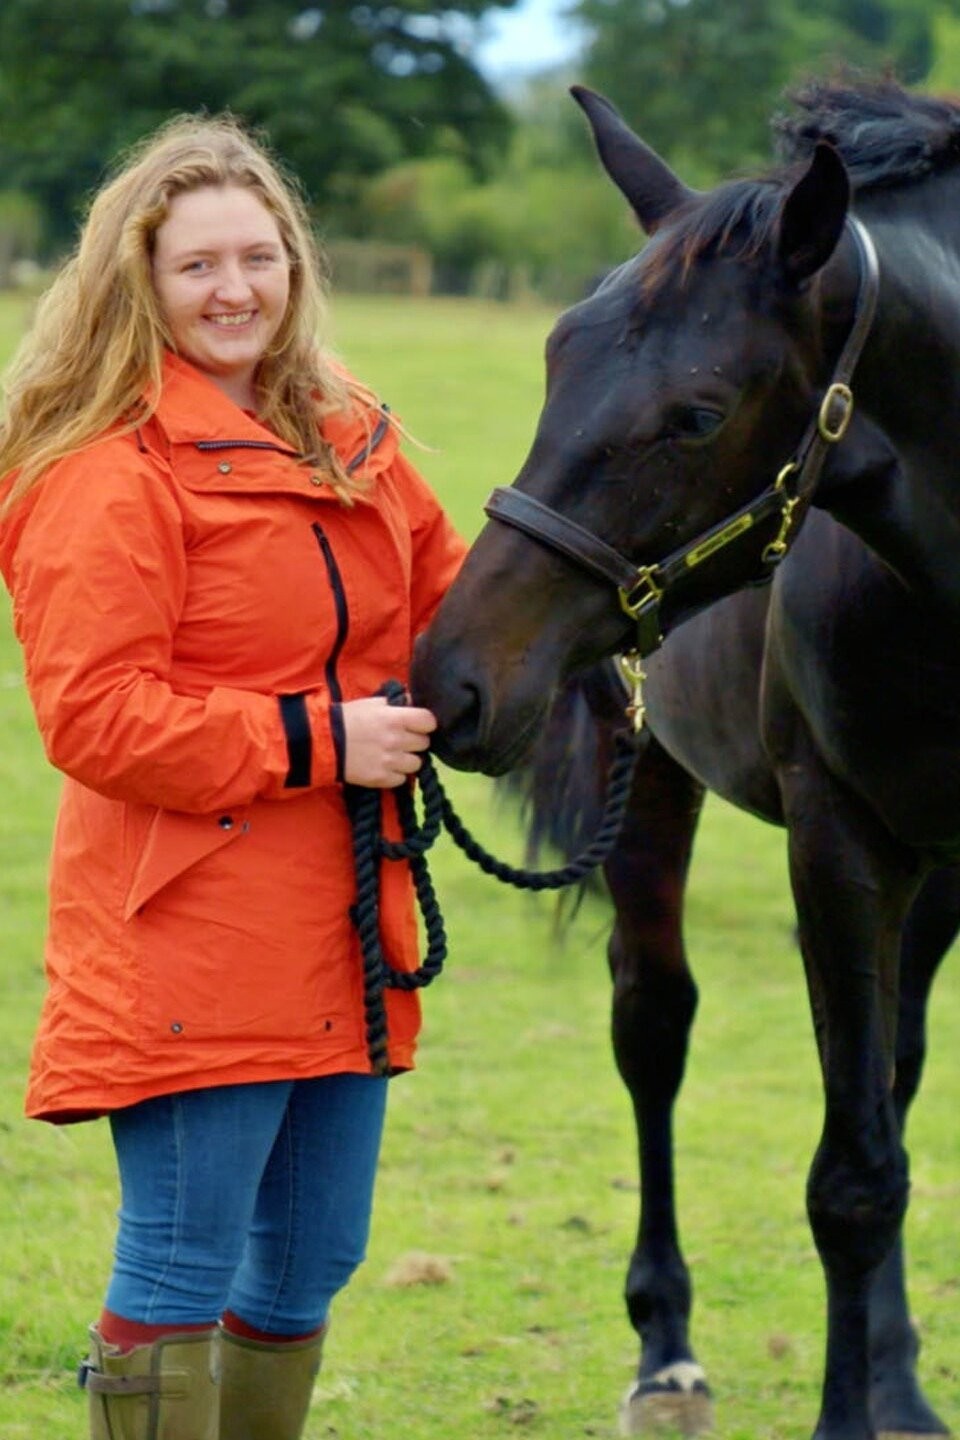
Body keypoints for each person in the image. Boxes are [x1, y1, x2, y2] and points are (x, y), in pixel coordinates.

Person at [0, 113, 466, 1440]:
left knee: (314, 1258)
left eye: (257, 258)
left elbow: (447, 606)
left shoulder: (345, 433)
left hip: (342, 920)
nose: (234, 291)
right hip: (188, 925)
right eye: (197, 265)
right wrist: (321, 742)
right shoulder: (102, 471)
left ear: (295, 266)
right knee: (178, 1268)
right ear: (136, 282)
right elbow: (96, 717)